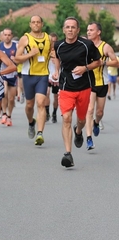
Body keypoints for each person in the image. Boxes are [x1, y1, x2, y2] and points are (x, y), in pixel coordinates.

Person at [53, 17, 101, 167]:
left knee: (81, 120)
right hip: (66, 87)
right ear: (63, 29)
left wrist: (84, 68)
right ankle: (68, 154)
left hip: (84, 86)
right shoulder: (58, 45)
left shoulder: (87, 45)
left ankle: (78, 131)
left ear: (78, 30)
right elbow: (57, 59)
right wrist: (56, 71)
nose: (70, 30)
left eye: (73, 27)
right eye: (67, 27)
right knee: (66, 118)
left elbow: (98, 62)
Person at [15, 15, 53, 146]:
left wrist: (55, 65)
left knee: (41, 103)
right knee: (29, 105)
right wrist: (30, 54)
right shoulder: (25, 38)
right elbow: (17, 58)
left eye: (38, 22)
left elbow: (52, 53)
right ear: (30, 24)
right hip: (28, 75)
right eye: (33, 22)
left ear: (42, 24)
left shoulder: (48, 38)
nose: (36, 24)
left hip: (43, 75)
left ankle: (40, 133)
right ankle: (31, 122)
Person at [85, 22, 118, 150]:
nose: (88, 32)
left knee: (99, 112)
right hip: (89, 83)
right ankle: (89, 138)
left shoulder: (105, 47)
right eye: (87, 30)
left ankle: (96, 123)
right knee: (89, 110)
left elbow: (116, 62)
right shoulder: (85, 46)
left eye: (91, 30)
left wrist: (104, 63)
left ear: (98, 32)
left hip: (102, 83)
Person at [0, 28, 18, 127]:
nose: (7, 37)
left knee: (11, 98)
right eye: (5, 35)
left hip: (12, 74)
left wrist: (16, 59)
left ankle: (9, 115)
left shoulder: (16, 45)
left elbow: (20, 59)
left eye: (9, 35)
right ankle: (4, 113)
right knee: (4, 93)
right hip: (3, 73)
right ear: (2, 36)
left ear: (12, 35)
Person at [46, 33, 59, 123]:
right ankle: (47, 112)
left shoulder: (60, 50)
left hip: (57, 76)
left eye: (54, 41)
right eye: (51, 41)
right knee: (46, 93)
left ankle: (54, 112)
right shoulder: (46, 50)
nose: (53, 43)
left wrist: (58, 62)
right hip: (47, 75)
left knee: (56, 96)